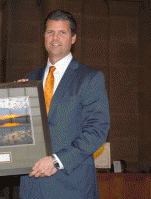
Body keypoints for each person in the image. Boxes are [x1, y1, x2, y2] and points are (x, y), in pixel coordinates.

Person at [19, 10, 110, 198]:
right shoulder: (29, 79)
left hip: (71, 186)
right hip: (32, 185)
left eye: (62, 32)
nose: (55, 38)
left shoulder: (90, 78)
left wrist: (56, 161)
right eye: (50, 32)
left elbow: (97, 130)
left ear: (73, 38)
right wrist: (15, 105)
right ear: (44, 36)